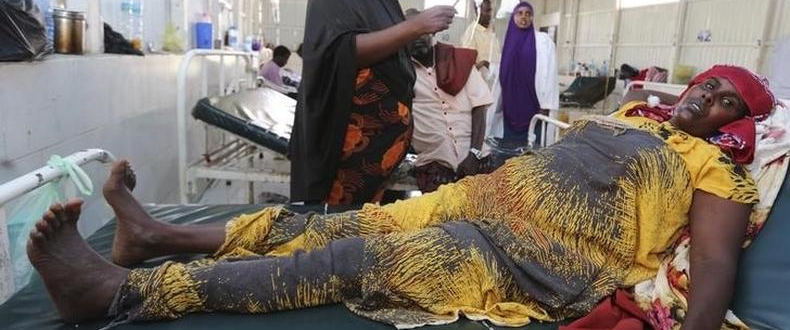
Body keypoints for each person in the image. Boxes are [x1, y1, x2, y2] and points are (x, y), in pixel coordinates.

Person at [28, 65, 776, 329]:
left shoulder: (721, 175)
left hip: (531, 261)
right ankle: (161, 237)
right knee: (333, 224)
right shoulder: (632, 118)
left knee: (350, 259)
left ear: (735, 127)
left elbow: (712, 264)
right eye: (704, 82)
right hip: (482, 199)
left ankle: (124, 296)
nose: (701, 96)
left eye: (721, 100)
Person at [289, 0, 456, 205]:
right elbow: (341, 51)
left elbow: (386, 41)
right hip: (345, 148)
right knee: (336, 228)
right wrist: (413, 27)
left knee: (361, 225)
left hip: (377, 156)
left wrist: (414, 30)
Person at [406, 8, 494, 193]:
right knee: (441, 220)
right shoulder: (401, 73)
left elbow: (480, 106)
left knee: (485, 218)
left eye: (422, 31)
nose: (417, 37)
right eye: (410, 33)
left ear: (432, 32)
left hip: (476, 157)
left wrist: (474, 154)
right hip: (434, 165)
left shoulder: (458, 61)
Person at [494, 1, 558, 146]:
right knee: (509, 151)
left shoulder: (543, 41)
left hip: (535, 105)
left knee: (533, 151)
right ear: (513, 17)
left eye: (528, 14)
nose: (524, 17)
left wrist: (546, 104)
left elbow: (551, 74)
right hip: (509, 105)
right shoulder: (507, 43)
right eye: (520, 13)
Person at [460, 0, 498, 77]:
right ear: (478, 12)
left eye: (490, 10)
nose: (490, 14)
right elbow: (467, 66)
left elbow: (495, 56)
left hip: (493, 80)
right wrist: (484, 63)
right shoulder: (471, 33)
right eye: (487, 11)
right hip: (479, 82)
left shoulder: (491, 31)